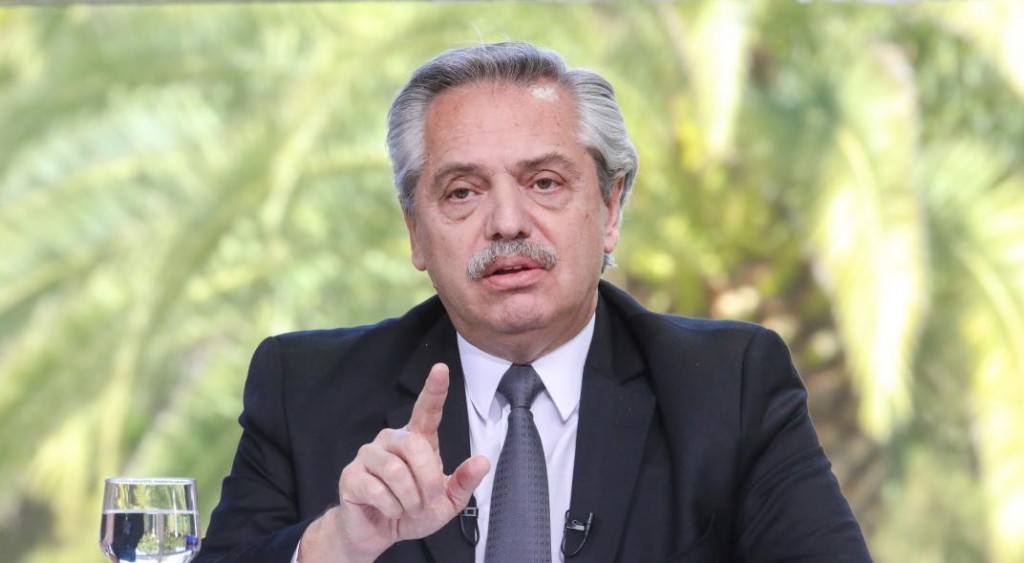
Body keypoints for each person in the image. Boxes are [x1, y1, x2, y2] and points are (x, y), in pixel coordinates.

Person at [197, 42, 871, 562]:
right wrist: (340, 542)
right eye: (462, 192)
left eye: (544, 182)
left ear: (610, 209)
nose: (507, 223)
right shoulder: (303, 390)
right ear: (416, 232)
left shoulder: (728, 386)